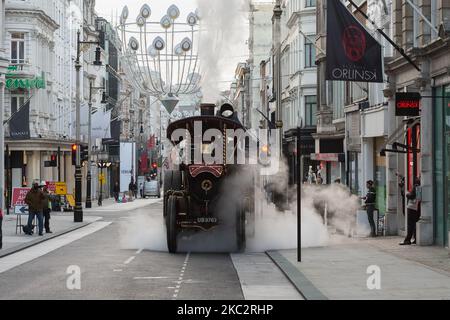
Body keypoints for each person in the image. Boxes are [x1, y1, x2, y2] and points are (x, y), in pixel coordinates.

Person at [400, 177, 421, 245]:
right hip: (417, 208)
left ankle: (407, 240)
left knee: (410, 224)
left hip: (412, 207)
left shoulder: (416, 186)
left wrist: (407, 194)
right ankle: (415, 238)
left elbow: (412, 196)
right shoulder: (421, 187)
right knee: (414, 223)